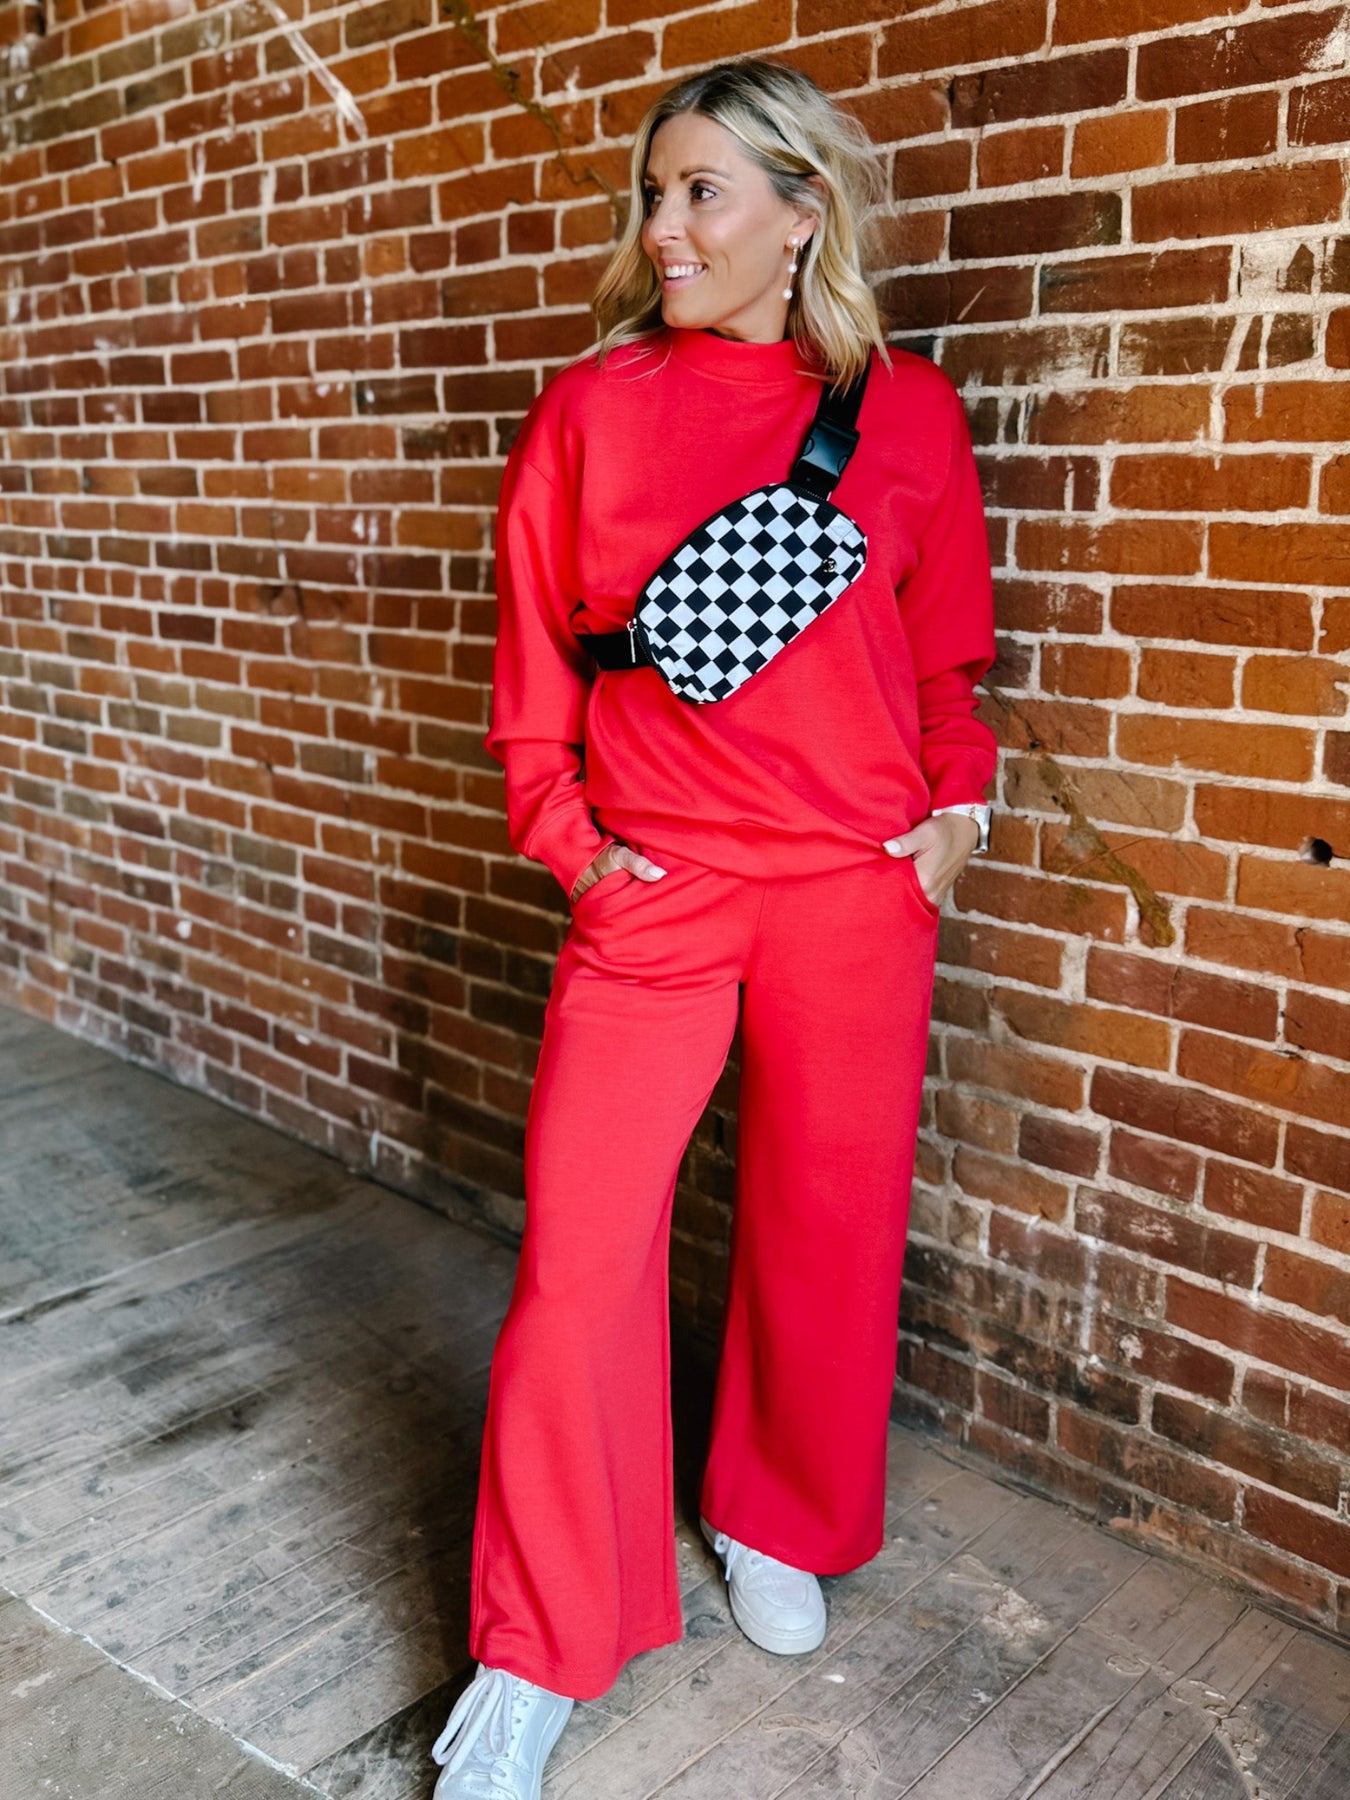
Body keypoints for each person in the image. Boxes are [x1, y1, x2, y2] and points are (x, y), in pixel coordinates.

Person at [429, 56, 998, 1800]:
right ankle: (531, 1650)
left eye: (703, 193)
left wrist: (955, 814)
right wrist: (576, 851)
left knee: (827, 1230)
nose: (665, 228)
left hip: (852, 894)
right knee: (577, 1265)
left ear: (800, 212)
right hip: (655, 894)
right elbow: (536, 675)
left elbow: (944, 661)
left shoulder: (904, 413)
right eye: (655, 194)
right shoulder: (590, 409)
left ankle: (778, 1521)